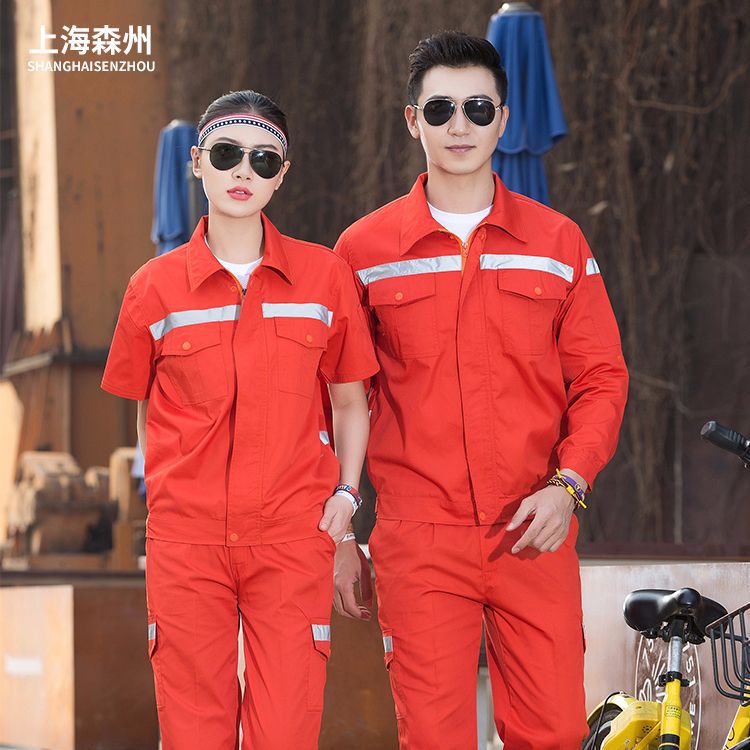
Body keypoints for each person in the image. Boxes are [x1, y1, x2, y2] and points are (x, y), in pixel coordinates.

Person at [332, 31, 629, 750]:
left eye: (477, 108)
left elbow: (601, 378)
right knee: (433, 737)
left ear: (503, 120)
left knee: (553, 733)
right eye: (440, 109)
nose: (458, 125)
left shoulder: (557, 243)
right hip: (417, 538)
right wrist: (338, 533)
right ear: (414, 121)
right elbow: (333, 402)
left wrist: (569, 485)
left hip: (534, 527)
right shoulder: (363, 253)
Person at [101, 90, 379, 750]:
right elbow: (145, 414)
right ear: (197, 162)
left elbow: (350, 402)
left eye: (263, 159)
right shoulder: (152, 288)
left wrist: (346, 499)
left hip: (291, 538)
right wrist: (168, 503)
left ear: (282, 174)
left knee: (286, 729)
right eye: (226, 154)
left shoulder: (323, 277)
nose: (243, 171)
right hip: (187, 543)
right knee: (194, 731)